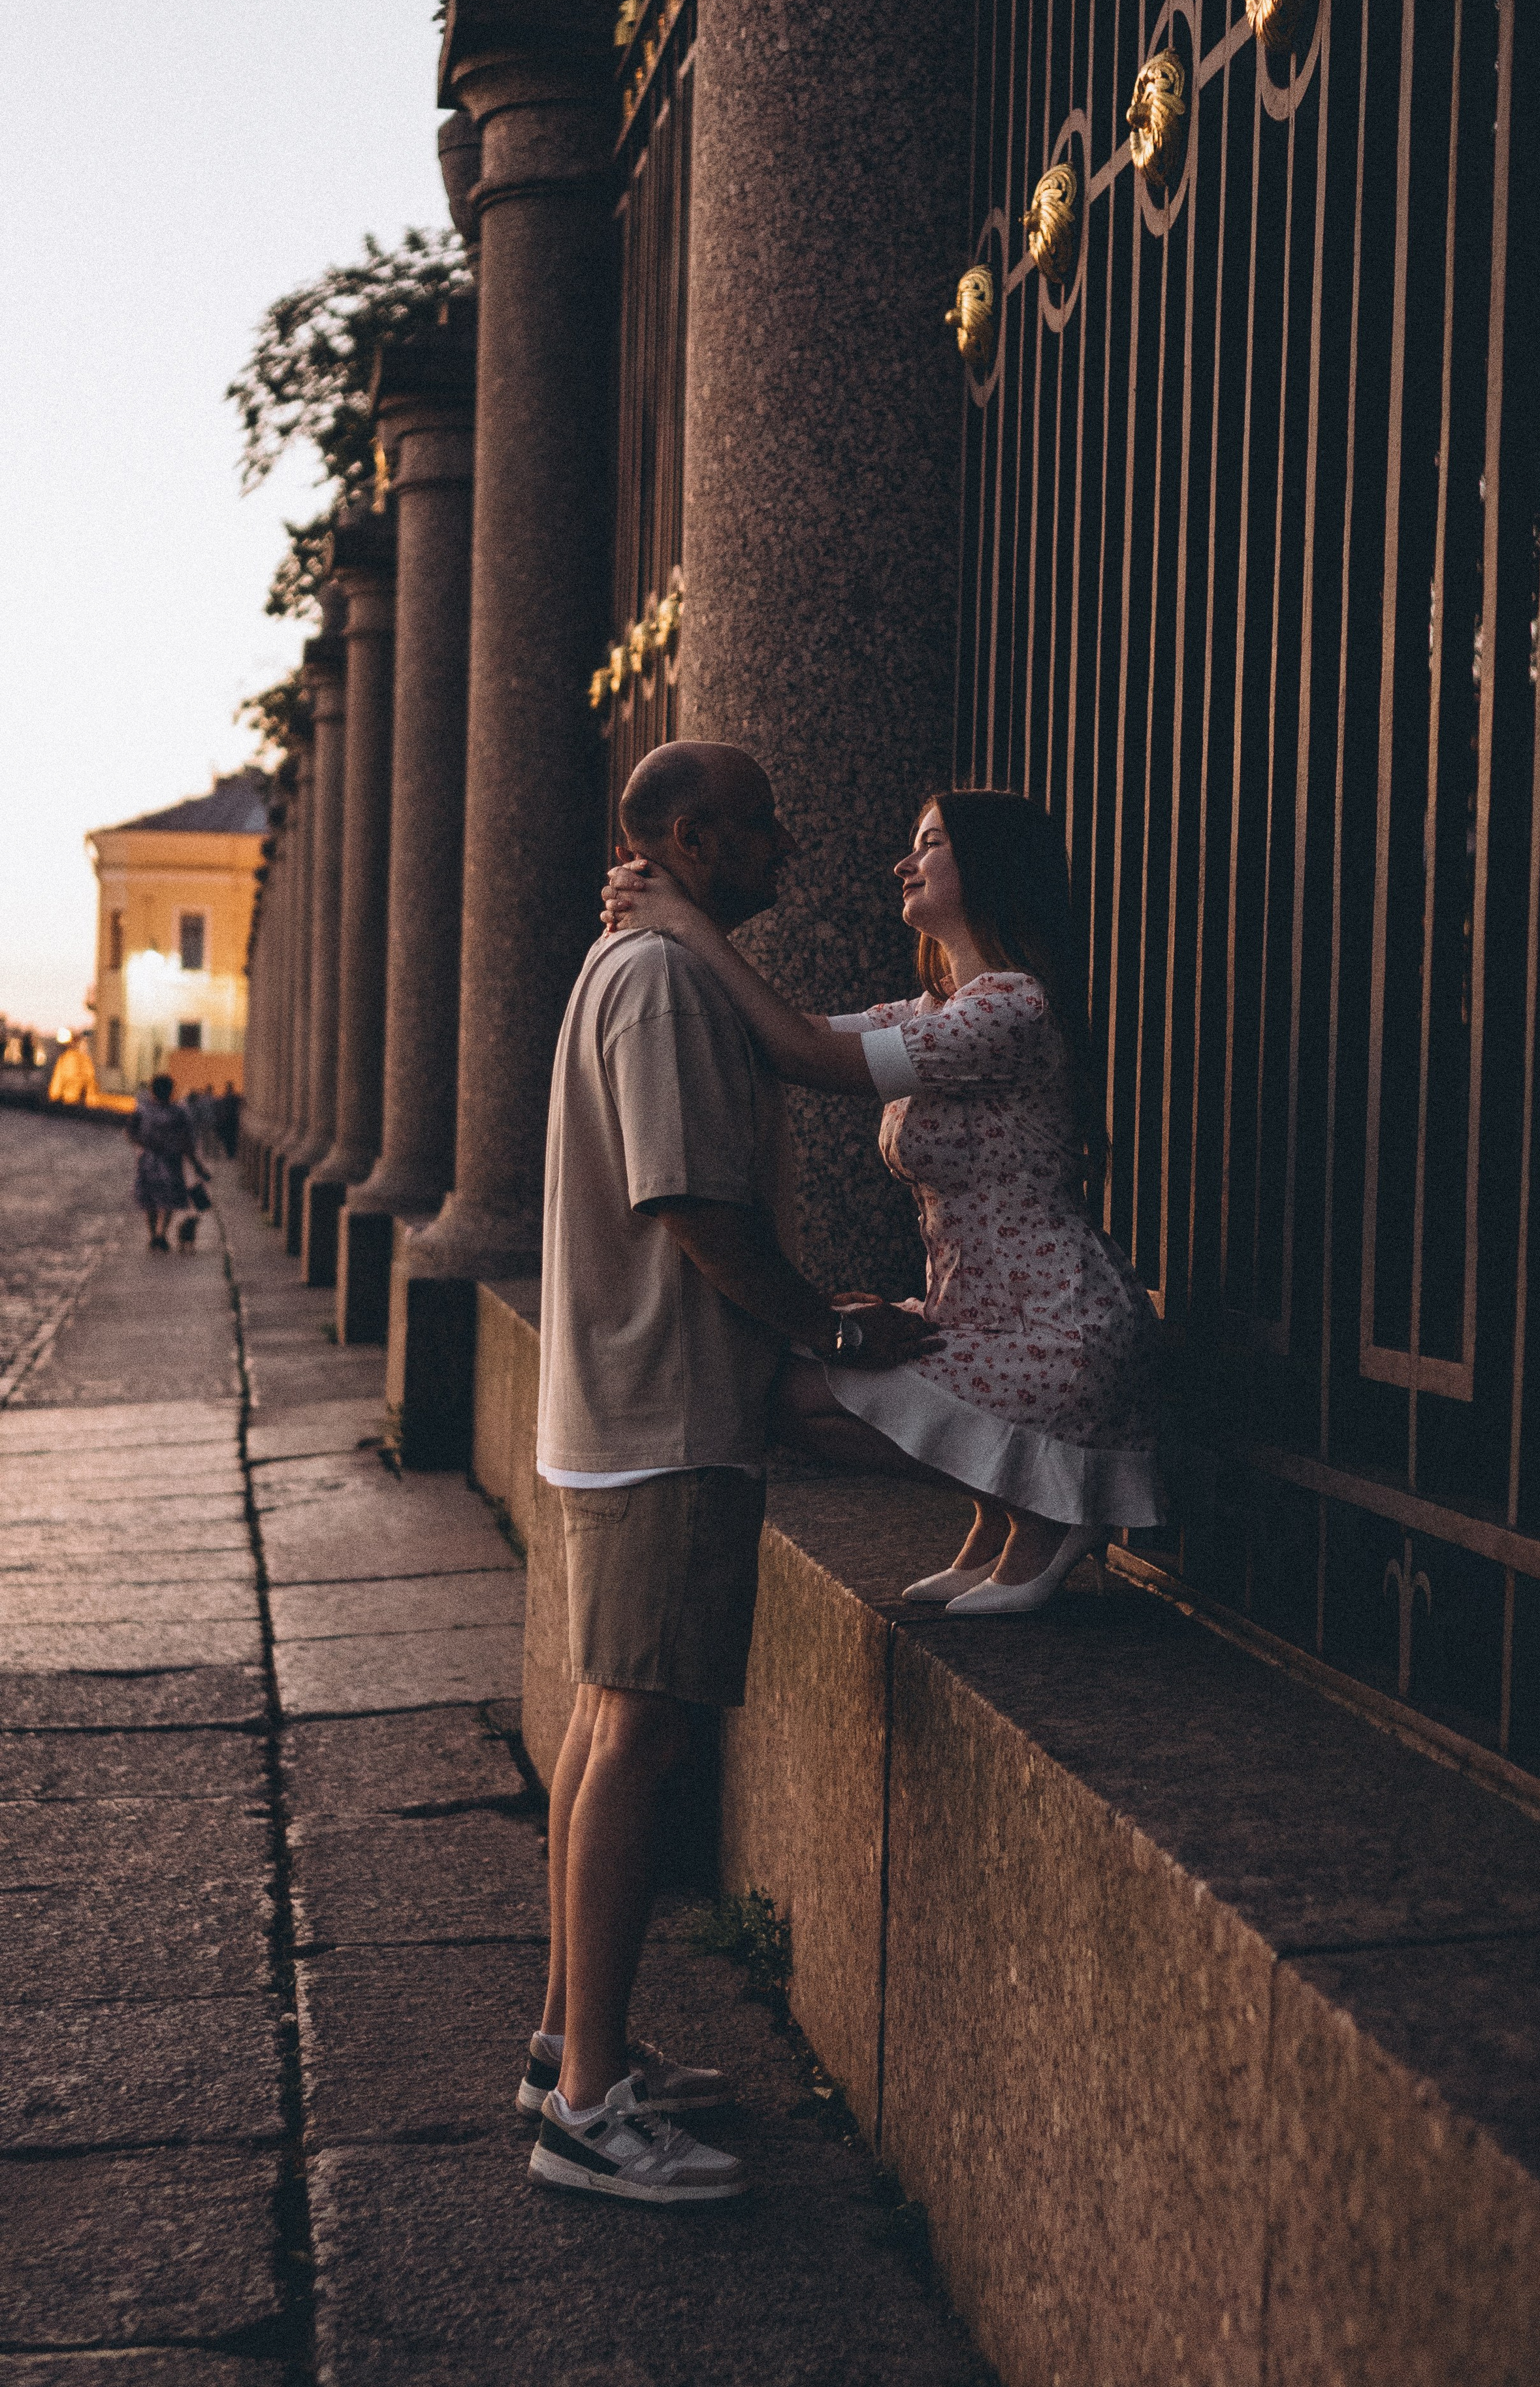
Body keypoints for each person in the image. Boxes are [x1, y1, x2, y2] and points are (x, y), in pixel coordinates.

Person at [524, 740, 940, 2207]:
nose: (788, 848)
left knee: (604, 1721)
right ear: (692, 839)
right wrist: (827, 1325)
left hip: (625, 1402)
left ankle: (572, 2045)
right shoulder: (662, 982)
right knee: (637, 1736)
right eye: (761, 826)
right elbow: (692, 1205)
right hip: (665, 1412)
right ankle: (588, 2111)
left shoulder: (645, 963)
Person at [605, 786, 1166, 1612]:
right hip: (982, 1319)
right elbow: (778, 1030)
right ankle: (1004, 1508)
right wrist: (656, 928)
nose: (905, 863)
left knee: (788, 1395)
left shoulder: (1012, 1009)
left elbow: (805, 1053)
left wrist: (688, 925)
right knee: (775, 1370)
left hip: (1058, 1332)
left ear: (990, 866)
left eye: (930, 845)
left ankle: (1048, 1506)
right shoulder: (938, 1010)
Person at [127, 1073, 210, 1252]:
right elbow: (187, 1142)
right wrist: (197, 1165)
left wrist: (144, 1144)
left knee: (150, 1200)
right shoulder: (179, 1113)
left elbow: (131, 1132)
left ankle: (153, 1236)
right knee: (168, 1200)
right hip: (171, 1161)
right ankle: (162, 1234)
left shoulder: (143, 1110)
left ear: (153, 1090)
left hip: (148, 1161)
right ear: (171, 1091)